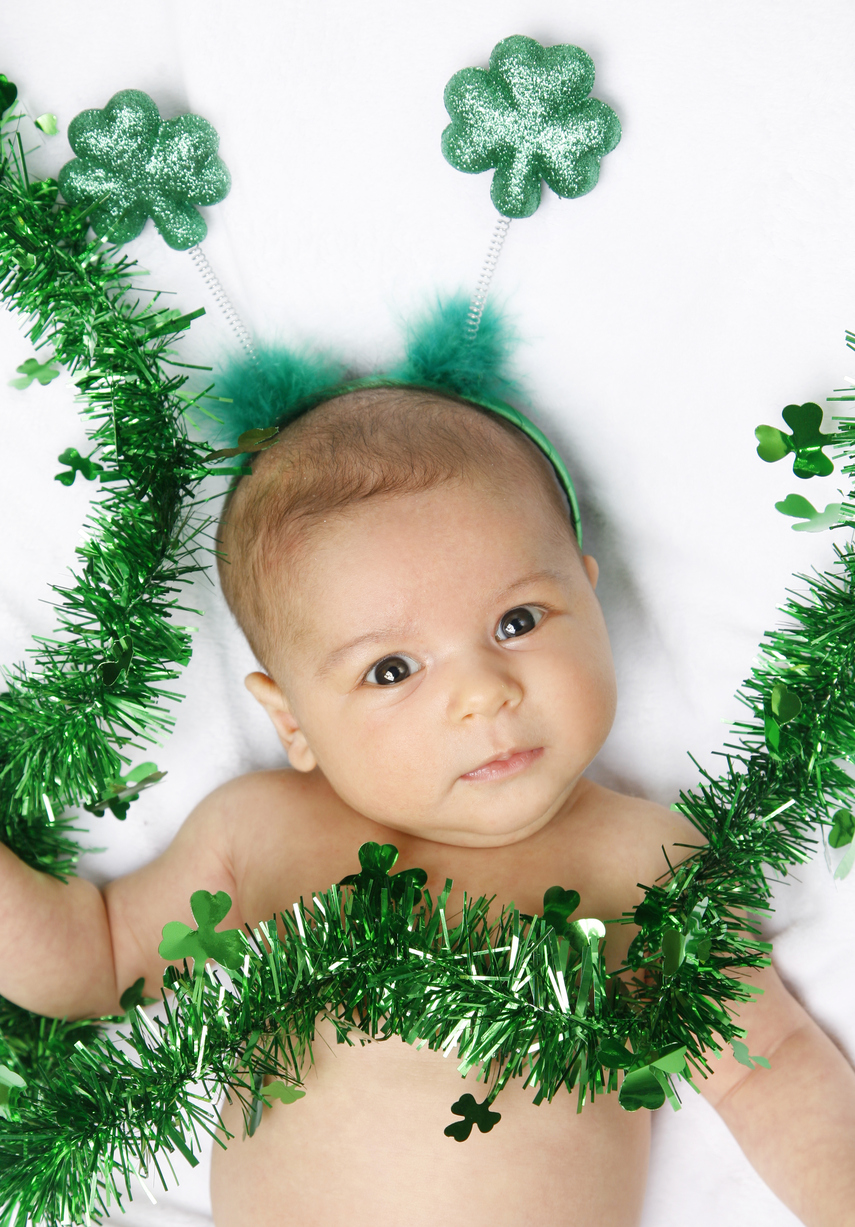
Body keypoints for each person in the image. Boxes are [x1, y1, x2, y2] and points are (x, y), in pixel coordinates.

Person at [2, 382, 854, 1227]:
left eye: (517, 620)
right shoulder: (262, 833)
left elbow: (764, 1064)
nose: (482, 694)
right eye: (392, 670)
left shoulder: (642, 862)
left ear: (590, 597)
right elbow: (95, 961)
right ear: (291, 719)